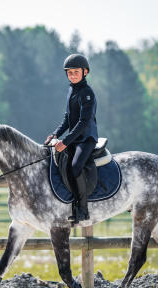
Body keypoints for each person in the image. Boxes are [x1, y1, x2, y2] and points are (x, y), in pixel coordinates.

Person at [44, 54, 98, 223]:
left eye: (76, 72)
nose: (72, 75)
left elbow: (83, 122)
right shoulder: (71, 91)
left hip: (86, 139)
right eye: (69, 72)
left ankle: (82, 209)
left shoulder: (87, 93)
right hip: (74, 139)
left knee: (75, 167)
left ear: (85, 72)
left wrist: (65, 142)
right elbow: (67, 119)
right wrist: (55, 135)